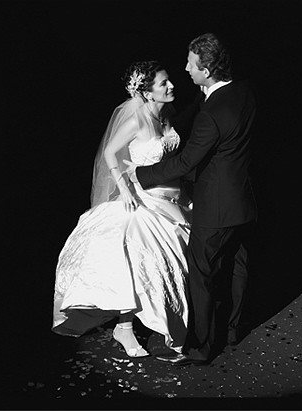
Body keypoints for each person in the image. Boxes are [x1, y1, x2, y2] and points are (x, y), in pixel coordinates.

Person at [128, 33, 258, 366]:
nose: (185, 69)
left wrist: (141, 174)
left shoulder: (211, 115)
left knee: (203, 277)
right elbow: (202, 110)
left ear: (207, 70)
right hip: (244, 201)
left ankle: (201, 348)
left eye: (191, 64)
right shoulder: (242, 91)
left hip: (216, 209)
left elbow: (186, 162)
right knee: (237, 267)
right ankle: (233, 331)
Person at [52, 61, 192, 358]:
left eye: (169, 80)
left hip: (173, 198)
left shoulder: (167, 113)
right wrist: (124, 188)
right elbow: (109, 152)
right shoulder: (136, 120)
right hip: (144, 198)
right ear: (147, 92)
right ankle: (125, 327)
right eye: (163, 83)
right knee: (137, 258)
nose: (171, 85)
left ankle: (166, 319)